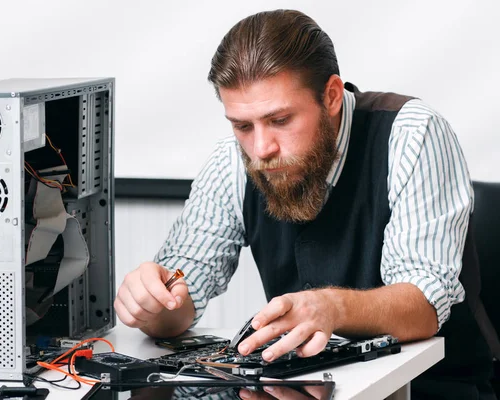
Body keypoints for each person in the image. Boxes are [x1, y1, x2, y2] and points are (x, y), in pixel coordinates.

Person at [114, 9, 496, 399]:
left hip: (431, 388)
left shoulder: (413, 134)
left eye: (280, 120)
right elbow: (181, 304)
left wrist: (330, 307)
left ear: (331, 95)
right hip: (303, 389)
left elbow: (423, 304)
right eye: (242, 126)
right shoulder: (233, 159)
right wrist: (154, 306)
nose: (261, 149)